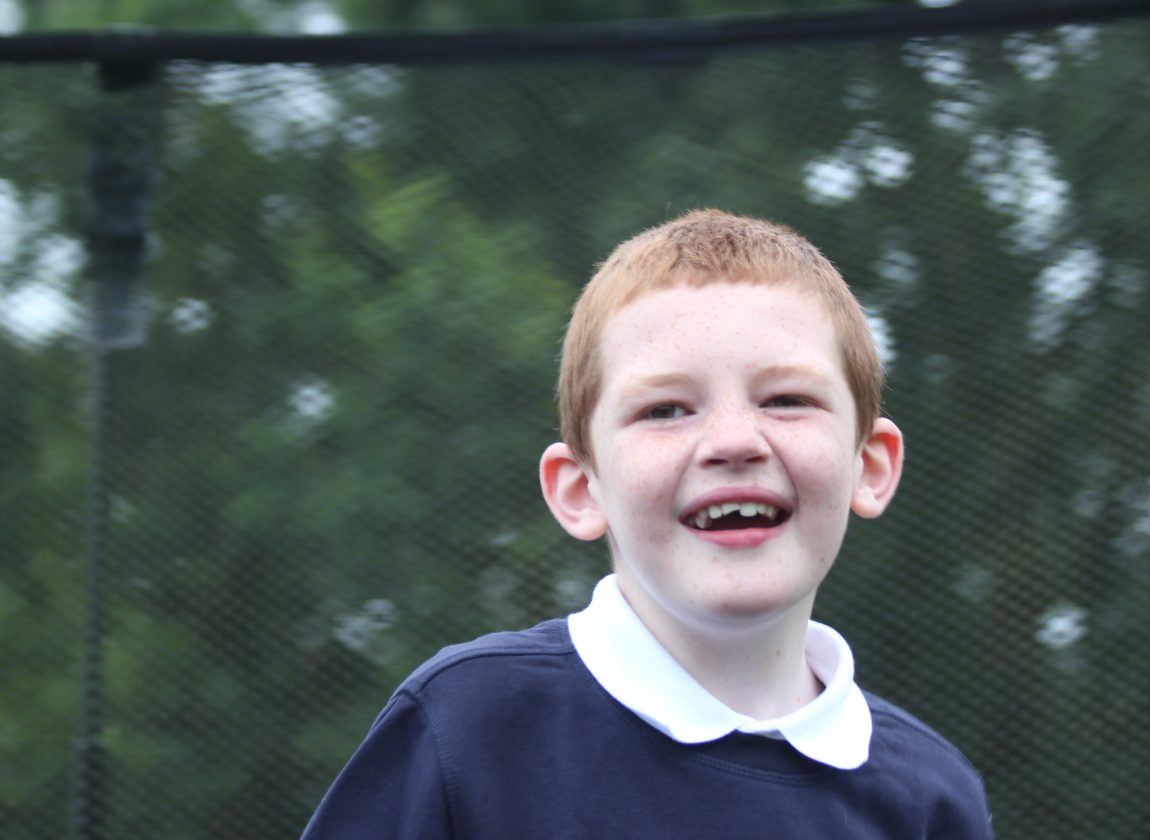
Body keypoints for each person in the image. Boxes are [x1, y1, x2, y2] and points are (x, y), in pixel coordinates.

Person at [301, 210, 993, 839]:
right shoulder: (469, 725)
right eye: (665, 410)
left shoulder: (931, 797)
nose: (734, 441)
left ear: (870, 466)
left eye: (786, 399)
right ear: (580, 488)